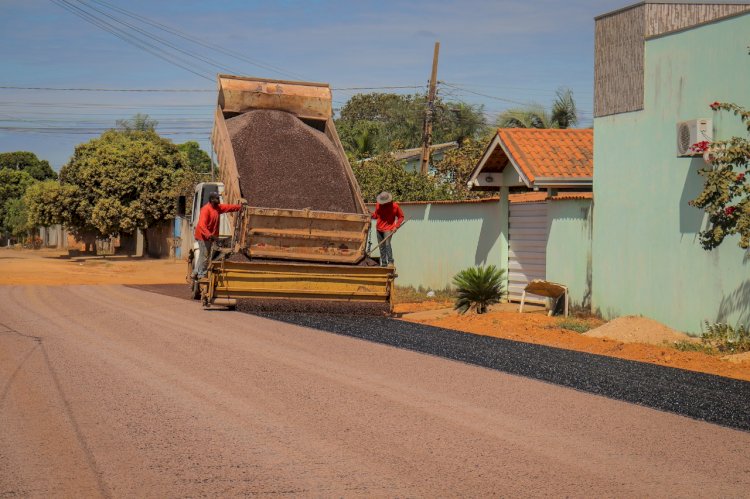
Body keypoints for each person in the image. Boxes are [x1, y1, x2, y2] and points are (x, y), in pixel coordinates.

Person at [193, 192, 244, 279]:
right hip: (203, 236)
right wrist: (211, 236)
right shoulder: (206, 210)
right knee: (205, 256)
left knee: (203, 255)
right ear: (212, 200)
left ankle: (195, 272)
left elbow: (228, 207)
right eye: (217, 198)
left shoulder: (217, 208)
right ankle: (201, 275)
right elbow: (202, 225)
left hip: (210, 236)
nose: (219, 200)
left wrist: (240, 207)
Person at [371, 191, 404, 267]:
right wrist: (370, 214)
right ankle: (384, 263)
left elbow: (401, 217)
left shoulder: (395, 206)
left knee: (387, 245)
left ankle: (390, 262)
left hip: (389, 229)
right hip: (379, 229)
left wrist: (396, 226)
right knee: (381, 246)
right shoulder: (378, 205)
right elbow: (376, 216)